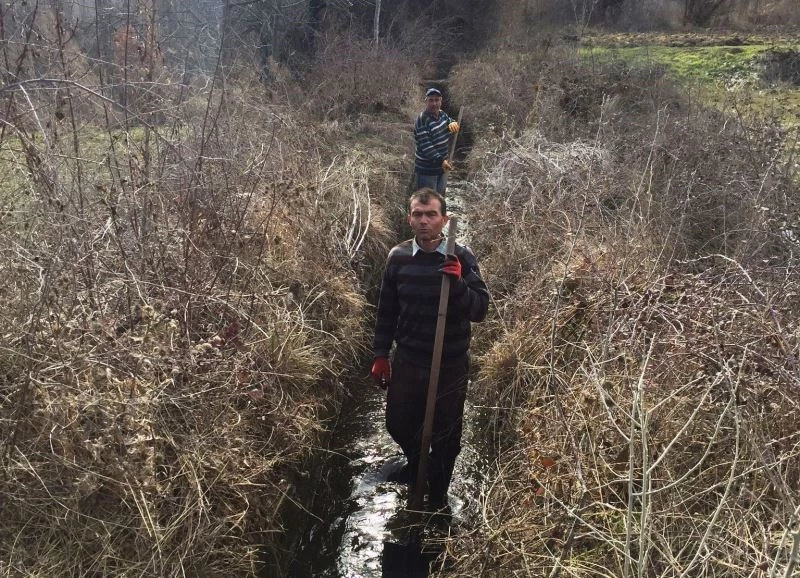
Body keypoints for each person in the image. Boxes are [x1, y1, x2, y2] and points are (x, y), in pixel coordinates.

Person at [370, 189, 489, 511]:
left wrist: (460, 284)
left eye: (431, 215)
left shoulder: (461, 258)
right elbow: (386, 310)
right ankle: (418, 464)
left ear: (444, 219)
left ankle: (437, 497)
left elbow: (479, 311)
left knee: (447, 435)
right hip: (409, 358)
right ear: (409, 218)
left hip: (450, 362)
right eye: (418, 215)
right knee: (397, 423)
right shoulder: (397, 257)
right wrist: (381, 354)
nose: (424, 221)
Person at [414, 87, 460, 195]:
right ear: (426, 101)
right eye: (431, 100)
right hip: (427, 170)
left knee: (439, 199)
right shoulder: (422, 120)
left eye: (436, 100)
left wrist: (453, 123)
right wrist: (441, 161)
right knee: (428, 201)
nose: (434, 103)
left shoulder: (442, 114)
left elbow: (449, 122)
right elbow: (427, 147)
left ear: (441, 101)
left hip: (442, 167)